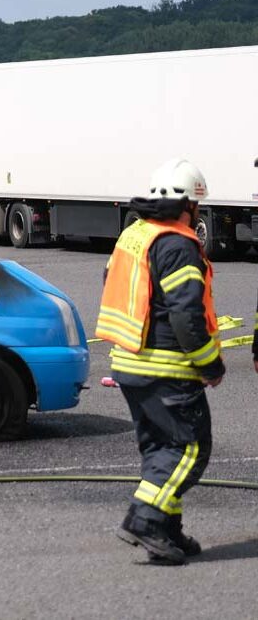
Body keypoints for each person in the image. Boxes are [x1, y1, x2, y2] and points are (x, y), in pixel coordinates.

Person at [95, 159, 224, 565]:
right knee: (189, 449)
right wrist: (210, 364)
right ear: (188, 205)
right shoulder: (178, 245)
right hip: (166, 367)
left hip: (129, 362)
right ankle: (146, 520)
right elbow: (186, 315)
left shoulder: (135, 235)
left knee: (159, 450)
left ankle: (167, 531)